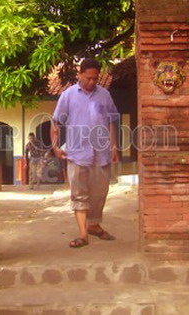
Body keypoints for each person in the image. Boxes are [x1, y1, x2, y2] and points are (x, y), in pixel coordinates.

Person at [51, 58, 119, 248]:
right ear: (79, 75)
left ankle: (94, 225)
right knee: (79, 195)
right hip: (77, 153)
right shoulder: (68, 95)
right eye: (88, 78)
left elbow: (112, 121)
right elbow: (56, 122)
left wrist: (114, 147)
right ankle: (83, 234)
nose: (91, 82)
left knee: (99, 193)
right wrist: (56, 146)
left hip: (101, 153)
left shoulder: (104, 95)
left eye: (95, 79)